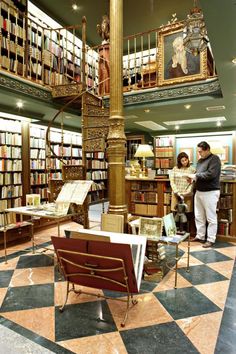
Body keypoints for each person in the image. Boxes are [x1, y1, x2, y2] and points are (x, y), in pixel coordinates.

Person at [187, 141, 221, 248]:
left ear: (207, 150)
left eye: (201, 151)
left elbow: (211, 174)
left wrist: (195, 176)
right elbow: (199, 174)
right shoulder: (200, 161)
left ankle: (211, 239)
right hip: (199, 192)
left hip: (210, 192)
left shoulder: (214, 159)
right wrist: (192, 179)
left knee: (211, 217)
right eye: (198, 151)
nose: (199, 153)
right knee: (198, 216)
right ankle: (200, 236)